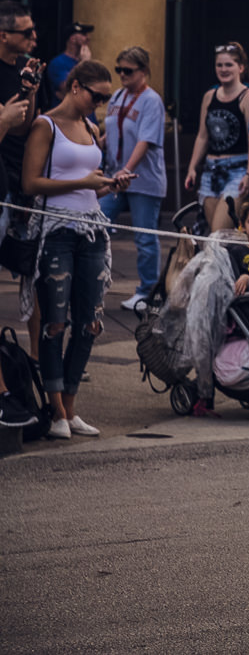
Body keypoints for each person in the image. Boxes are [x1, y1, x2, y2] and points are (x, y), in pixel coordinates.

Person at [20, 61, 126, 440]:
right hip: (57, 232)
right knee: (55, 322)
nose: (99, 104)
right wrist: (83, 181)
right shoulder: (45, 125)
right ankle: (56, 410)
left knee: (91, 323)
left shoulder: (90, 127)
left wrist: (109, 186)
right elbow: (30, 182)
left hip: (92, 229)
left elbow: (86, 188)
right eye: (96, 96)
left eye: (105, 99)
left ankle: (71, 403)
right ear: (75, 86)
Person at [100, 46, 167, 312]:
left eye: (127, 71)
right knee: (97, 225)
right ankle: (93, 282)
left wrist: (126, 169)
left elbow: (145, 140)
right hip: (114, 175)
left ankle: (148, 291)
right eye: (119, 70)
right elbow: (111, 132)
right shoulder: (117, 96)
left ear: (144, 71)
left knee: (144, 236)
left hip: (141, 178)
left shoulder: (151, 100)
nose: (122, 75)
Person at [185, 42, 249, 233]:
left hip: (238, 170)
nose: (223, 69)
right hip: (211, 170)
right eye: (219, 65)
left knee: (220, 232)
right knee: (214, 236)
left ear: (241, 68)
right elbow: (202, 136)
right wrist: (192, 167)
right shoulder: (210, 96)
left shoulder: (248, 97)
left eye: (229, 65)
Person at [1, 0, 58, 207]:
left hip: (21, 171)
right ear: (4, 36)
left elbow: (22, 126)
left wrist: (29, 91)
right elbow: (8, 123)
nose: (34, 37)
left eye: (33, 30)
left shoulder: (24, 66)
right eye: (27, 32)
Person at [46, 23, 91, 89]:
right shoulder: (57, 63)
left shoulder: (83, 59)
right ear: (72, 39)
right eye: (83, 34)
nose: (88, 38)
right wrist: (83, 64)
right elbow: (66, 88)